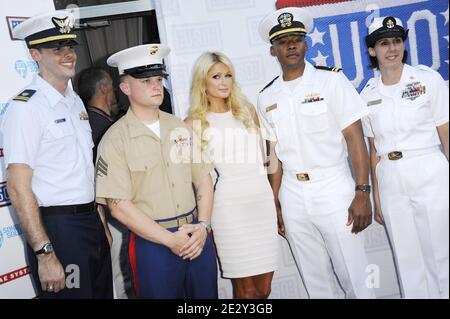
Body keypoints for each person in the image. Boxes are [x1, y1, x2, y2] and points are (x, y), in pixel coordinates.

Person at [257, 7, 376, 299]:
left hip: (333, 186)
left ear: (306, 44)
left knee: (355, 276)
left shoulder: (331, 81)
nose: (291, 45)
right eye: (283, 41)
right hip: (292, 193)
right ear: (273, 50)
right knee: (315, 281)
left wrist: (363, 191)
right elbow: (272, 156)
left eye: (297, 38)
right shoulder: (266, 96)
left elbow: (355, 138)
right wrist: (275, 202)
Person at [1, 10, 113, 298]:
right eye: (56, 49)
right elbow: (17, 186)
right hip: (60, 231)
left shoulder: (74, 101)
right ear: (35, 54)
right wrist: (45, 253)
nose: (68, 54)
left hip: (90, 224)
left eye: (70, 46)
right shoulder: (26, 108)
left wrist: (99, 221)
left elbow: (83, 172)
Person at [95, 44, 218, 299]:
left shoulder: (179, 127)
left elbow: (204, 179)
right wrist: (169, 240)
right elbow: (117, 206)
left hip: (195, 235)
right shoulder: (115, 139)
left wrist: (203, 226)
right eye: (146, 80)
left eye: (159, 79)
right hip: (152, 242)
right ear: (125, 88)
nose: (156, 86)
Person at [361, 16, 449, 299]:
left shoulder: (427, 79)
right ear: (373, 50)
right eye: (384, 43)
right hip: (390, 177)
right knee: (406, 258)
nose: (392, 48)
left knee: (440, 253)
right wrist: (377, 197)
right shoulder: (367, 94)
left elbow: (446, 134)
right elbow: (373, 150)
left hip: (429, 168)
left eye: (397, 41)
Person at [185, 51, 279, 299]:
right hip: (229, 208)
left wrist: (275, 199)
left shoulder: (246, 110)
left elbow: (268, 159)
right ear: (202, 82)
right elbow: (189, 178)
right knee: (245, 291)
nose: (224, 82)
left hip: (262, 202)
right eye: (216, 76)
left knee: (265, 289)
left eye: (228, 75)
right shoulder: (192, 122)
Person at [77, 67, 133, 299]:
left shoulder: (102, 122)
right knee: (122, 277)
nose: (115, 92)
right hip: (112, 214)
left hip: (120, 212)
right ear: (103, 88)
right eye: (112, 85)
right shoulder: (95, 127)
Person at [77, 67, 118, 161]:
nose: (114, 89)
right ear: (103, 88)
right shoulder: (98, 126)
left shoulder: (92, 121)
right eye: (111, 85)